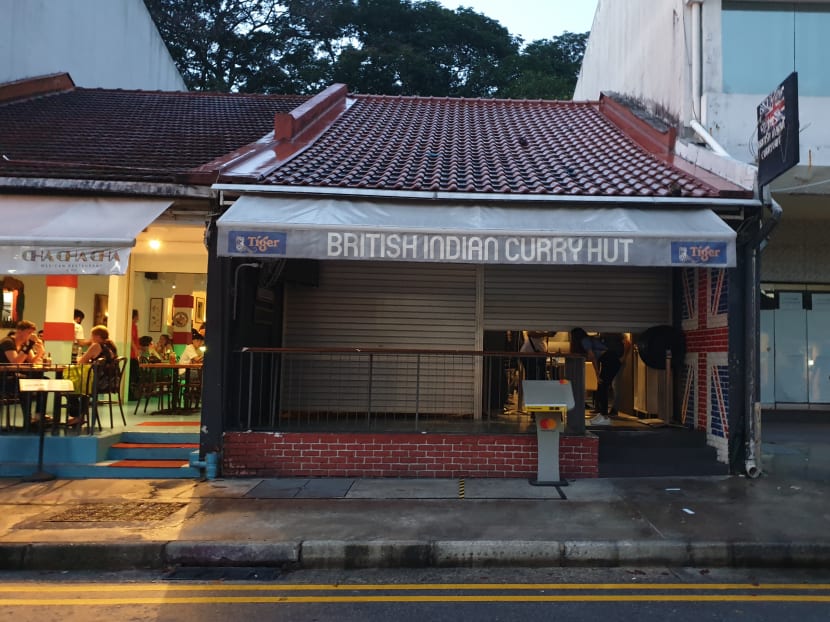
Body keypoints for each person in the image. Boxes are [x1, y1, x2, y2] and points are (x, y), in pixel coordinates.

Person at [570, 327, 622, 425]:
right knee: (601, 387)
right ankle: (602, 414)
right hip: (609, 360)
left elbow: (593, 357)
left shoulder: (585, 341)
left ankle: (604, 416)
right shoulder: (588, 340)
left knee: (603, 386)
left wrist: (597, 374)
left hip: (610, 360)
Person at [0, 320, 47, 424]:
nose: (31, 335)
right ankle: (27, 419)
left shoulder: (24, 345)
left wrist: (40, 352)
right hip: (4, 379)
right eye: (29, 332)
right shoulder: (8, 342)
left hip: (15, 376)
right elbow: (15, 362)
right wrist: (29, 345)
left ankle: (39, 415)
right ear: (19, 331)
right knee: (26, 385)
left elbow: (31, 361)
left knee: (44, 381)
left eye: (32, 333)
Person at [129, 309, 140, 401]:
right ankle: (130, 394)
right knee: (132, 375)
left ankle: (133, 394)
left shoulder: (134, 326)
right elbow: (131, 339)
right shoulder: (130, 326)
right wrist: (135, 349)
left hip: (134, 354)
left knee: (134, 375)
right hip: (131, 355)